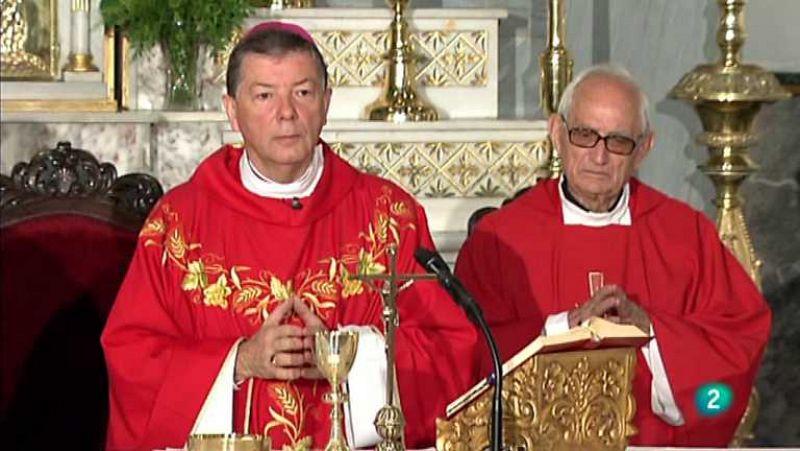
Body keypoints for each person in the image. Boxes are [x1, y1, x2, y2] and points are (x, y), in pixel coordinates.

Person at [101, 22, 477, 450]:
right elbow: (132, 358)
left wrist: (347, 359)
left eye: (303, 92)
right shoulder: (177, 225)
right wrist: (240, 361)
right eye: (264, 95)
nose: (286, 113)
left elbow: (452, 353)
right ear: (231, 109)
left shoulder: (390, 218)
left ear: (326, 102)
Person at [455, 65, 771, 446]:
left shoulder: (685, 235)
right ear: (557, 133)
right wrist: (562, 327)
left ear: (644, 149)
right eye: (585, 135)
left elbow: (737, 338)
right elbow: (465, 350)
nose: (599, 157)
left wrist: (651, 331)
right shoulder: (499, 239)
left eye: (618, 141)